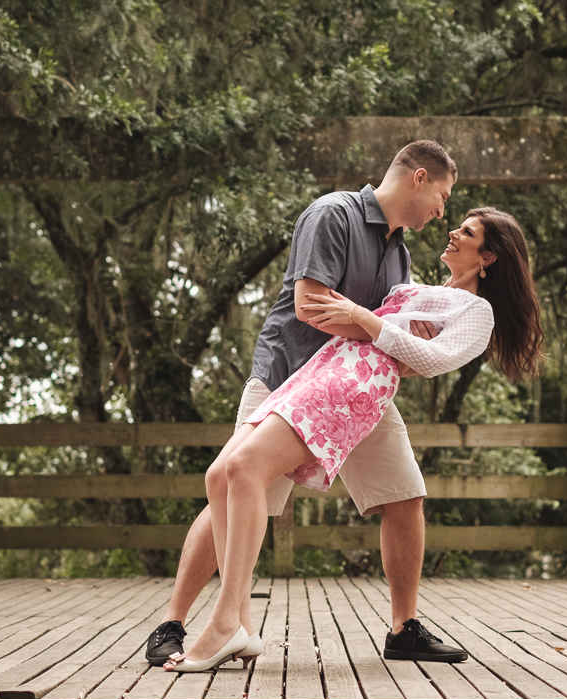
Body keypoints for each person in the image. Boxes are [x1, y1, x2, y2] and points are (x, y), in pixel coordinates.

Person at [164, 207, 545, 672]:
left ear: (488, 257)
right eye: (450, 213)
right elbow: (375, 332)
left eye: (466, 231)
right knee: (222, 478)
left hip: (353, 388)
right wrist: (382, 324)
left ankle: (238, 624)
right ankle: (205, 623)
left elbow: (428, 359)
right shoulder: (413, 283)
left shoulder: (475, 310)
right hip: (305, 371)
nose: (448, 225)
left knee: (382, 491)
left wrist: (369, 320)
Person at [146, 140, 462, 668]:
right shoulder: (333, 214)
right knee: (231, 486)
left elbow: (391, 337)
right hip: (287, 376)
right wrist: (382, 332)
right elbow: (311, 307)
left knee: (405, 495)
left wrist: (395, 335)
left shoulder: (400, 253)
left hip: (357, 391)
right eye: (443, 196)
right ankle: (174, 622)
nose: (442, 211)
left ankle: (404, 629)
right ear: (419, 177)